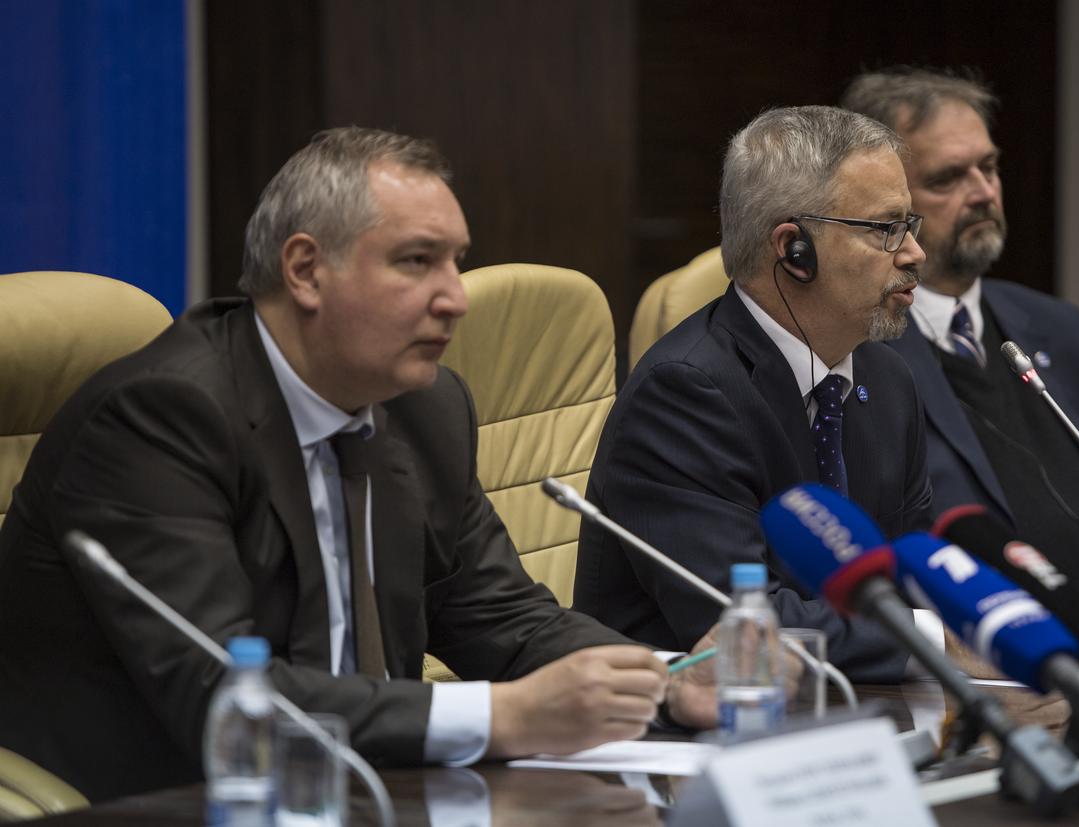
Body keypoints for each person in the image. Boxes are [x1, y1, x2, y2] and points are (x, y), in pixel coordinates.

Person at [0, 127, 716, 803]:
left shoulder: (424, 408)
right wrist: (504, 715)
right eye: (417, 261)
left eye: (455, 261)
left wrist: (669, 679)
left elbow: (502, 617)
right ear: (306, 271)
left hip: (367, 792)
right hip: (168, 798)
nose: (455, 298)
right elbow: (221, 694)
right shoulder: (162, 417)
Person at [575, 106, 932, 682]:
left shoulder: (887, 379)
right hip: (699, 719)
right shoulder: (685, 393)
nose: (914, 252)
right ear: (794, 250)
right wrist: (930, 638)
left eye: (909, 224)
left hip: (865, 703)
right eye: (885, 229)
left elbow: (914, 574)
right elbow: (745, 626)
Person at [840, 68, 1079, 606]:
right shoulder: (858, 349)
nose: (983, 192)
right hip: (1011, 642)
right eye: (947, 179)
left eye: (989, 167)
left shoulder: (1059, 326)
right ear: (884, 206)